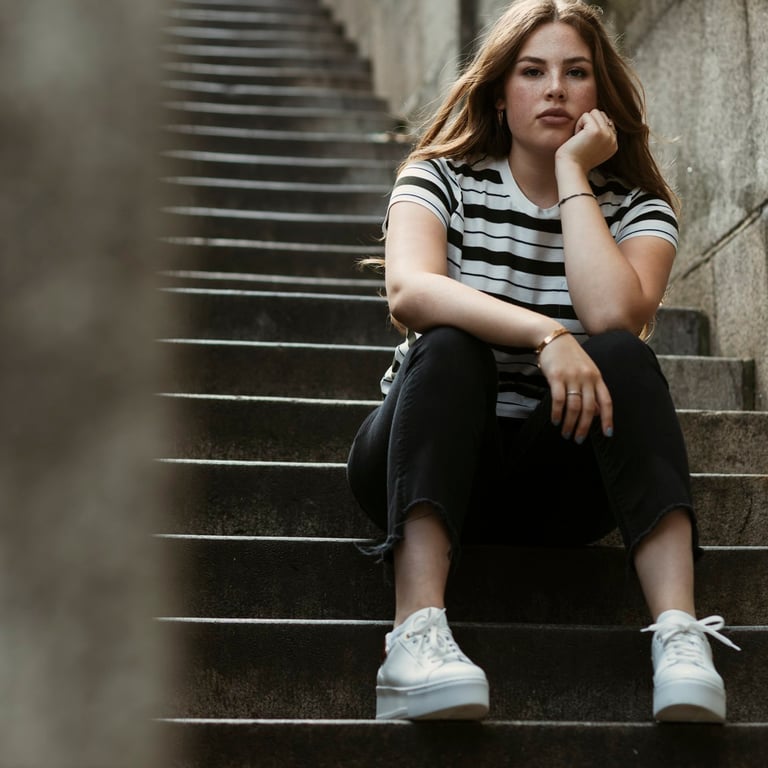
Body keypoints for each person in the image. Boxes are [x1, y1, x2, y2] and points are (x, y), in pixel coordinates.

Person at [346, 0, 740, 723]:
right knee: (451, 343)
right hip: (424, 462)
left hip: (556, 485)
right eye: (532, 71)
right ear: (501, 92)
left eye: (575, 72)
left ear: (600, 95)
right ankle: (413, 637)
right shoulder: (440, 178)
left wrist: (572, 176)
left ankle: (680, 636)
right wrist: (545, 335)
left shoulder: (636, 208)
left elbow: (615, 318)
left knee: (620, 355)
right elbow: (410, 291)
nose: (555, 88)